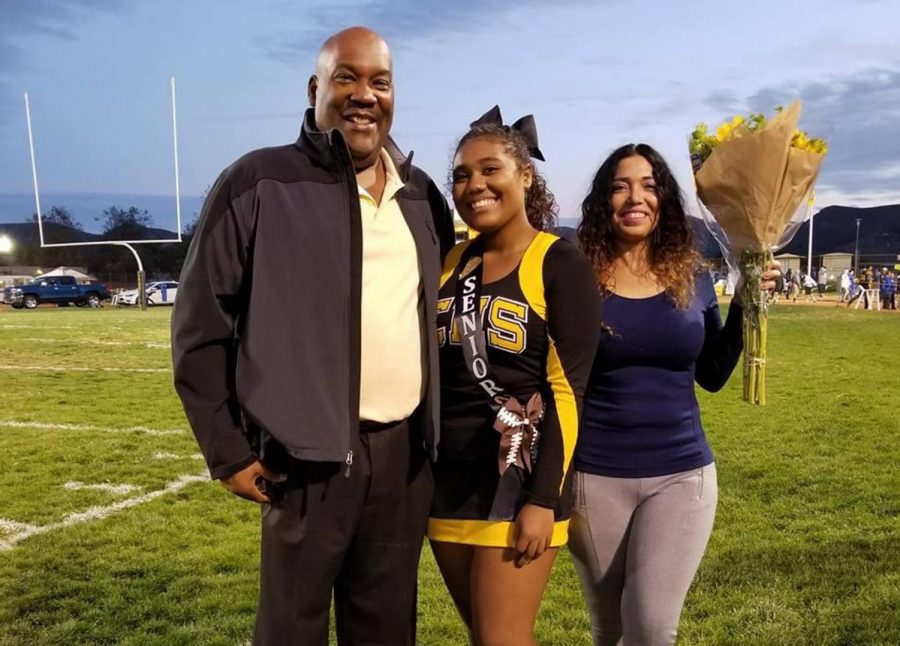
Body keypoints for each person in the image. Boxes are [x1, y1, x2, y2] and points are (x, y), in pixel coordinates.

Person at [171, 27, 455, 646]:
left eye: (379, 82)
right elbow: (200, 325)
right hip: (301, 460)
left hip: (403, 457)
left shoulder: (423, 195)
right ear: (315, 88)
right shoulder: (257, 181)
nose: (364, 95)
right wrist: (227, 448)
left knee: (386, 629)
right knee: (290, 631)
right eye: (346, 77)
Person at [569, 143, 778, 646]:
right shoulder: (575, 278)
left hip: (681, 475)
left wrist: (748, 302)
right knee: (610, 629)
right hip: (593, 479)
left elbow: (712, 374)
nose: (634, 197)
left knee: (650, 628)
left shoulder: (693, 276)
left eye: (648, 185)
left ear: (664, 198)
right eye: (620, 186)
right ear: (603, 201)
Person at [427, 107, 602, 645]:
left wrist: (543, 500)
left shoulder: (559, 261)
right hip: (447, 486)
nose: (474, 184)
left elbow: (569, 393)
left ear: (525, 175)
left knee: (504, 639)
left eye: (489, 169)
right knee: (485, 637)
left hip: (518, 479)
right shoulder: (449, 262)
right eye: (461, 174)